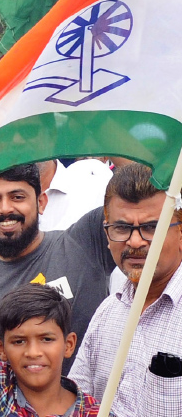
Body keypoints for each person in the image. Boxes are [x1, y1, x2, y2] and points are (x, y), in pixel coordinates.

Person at [0, 164, 115, 415]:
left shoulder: (84, 242)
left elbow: (136, 204)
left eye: (17, 197)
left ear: (42, 202)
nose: (5, 209)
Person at [69, 163, 182, 416]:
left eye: (152, 227)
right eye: (121, 228)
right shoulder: (107, 313)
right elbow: (78, 402)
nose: (135, 241)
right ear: (106, 235)